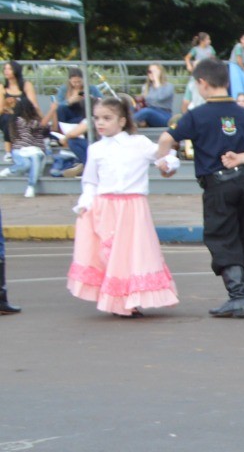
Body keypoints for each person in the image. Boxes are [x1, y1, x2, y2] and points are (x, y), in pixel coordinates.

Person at [156, 56, 244, 318]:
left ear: (203, 83)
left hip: (217, 185)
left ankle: (237, 296)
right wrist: (242, 158)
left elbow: (167, 138)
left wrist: (161, 161)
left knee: (223, 238)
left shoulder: (196, 115)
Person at [66, 95, 180, 317]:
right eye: (97, 118)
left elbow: (161, 158)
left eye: (107, 118)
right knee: (107, 254)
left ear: (121, 120)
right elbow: (90, 180)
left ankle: (130, 301)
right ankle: (116, 298)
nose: (100, 123)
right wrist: (85, 202)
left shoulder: (138, 143)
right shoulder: (96, 149)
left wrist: (168, 162)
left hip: (132, 207)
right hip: (104, 206)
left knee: (131, 254)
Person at [5, 96, 54, 197]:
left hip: (35, 150)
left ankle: (31, 186)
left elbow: (47, 127)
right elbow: (41, 124)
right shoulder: (19, 120)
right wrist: (52, 110)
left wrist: (39, 112)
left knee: (35, 157)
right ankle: (11, 170)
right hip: (20, 150)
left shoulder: (35, 120)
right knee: (27, 164)